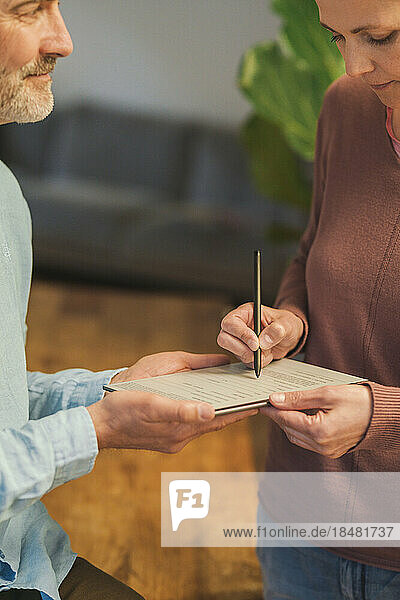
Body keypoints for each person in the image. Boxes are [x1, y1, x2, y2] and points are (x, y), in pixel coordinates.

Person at [0, 2, 258, 599]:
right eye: (27, 11)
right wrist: (98, 427)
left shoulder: (6, 197)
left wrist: (113, 389)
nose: (63, 40)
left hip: (33, 560)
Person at [218, 0, 400, 598]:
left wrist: (379, 416)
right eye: (337, 37)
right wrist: (288, 323)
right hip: (301, 519)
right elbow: (313, 251)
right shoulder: (346, 108)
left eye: (379, 37)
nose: (353, 67)